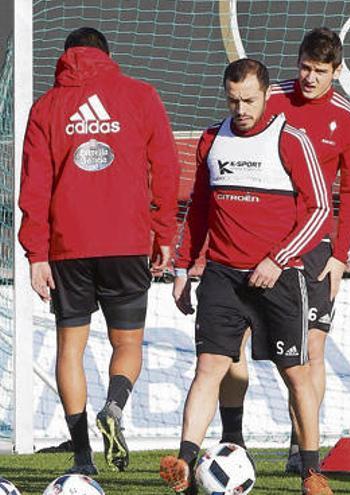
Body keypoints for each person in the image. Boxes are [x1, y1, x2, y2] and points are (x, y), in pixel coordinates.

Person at [158, 58, 332, 495]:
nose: (241, 109)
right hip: (221, 276)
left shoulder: (290, 140)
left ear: (267, 94)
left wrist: (279, 258)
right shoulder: (212, 140)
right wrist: (183, 269)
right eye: (233, 100)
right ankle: (184, 464)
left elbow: (320, 211)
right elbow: (198, 211)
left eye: (249, 100)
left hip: (279, 278)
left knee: (296, 374)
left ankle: (311, 470)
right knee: (209, 368)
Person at [18, 27, 180, 475]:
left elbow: (33, 187)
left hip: (67, 246)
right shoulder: (140, 95)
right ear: (108, 56)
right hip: (127, 242)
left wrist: (35, 254)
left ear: (66, 57)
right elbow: (165, 167)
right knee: (127, 342)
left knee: (71, 347)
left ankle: (83, 457)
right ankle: (114, 405)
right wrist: (164, 233)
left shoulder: (47, 107)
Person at [214, 27, 350, 475]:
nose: (309, 79)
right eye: (304, 68)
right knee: (232, 347)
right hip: (252, 245)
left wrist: (342, 255)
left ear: (336, 72)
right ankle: (233, 441)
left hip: (315, 249)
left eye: (320, 72)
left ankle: (301, 449)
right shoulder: (269, 97)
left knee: (309, 353)